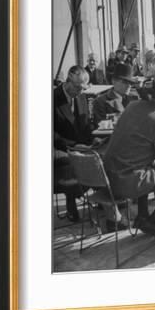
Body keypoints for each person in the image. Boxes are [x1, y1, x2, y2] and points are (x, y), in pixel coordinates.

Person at [104, 73, 155, 237]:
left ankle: (144, 215)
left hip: (107, 177)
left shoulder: (133, 106)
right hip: (126, 182)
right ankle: (153, 219)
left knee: (150, 167)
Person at [53, 66, 93, 221]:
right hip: (58, 148)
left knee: (102, 156)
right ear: (67, 81)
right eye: (77, 88)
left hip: (79, 145)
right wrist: (72, 146)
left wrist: (92, 141)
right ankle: (71, 199)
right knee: (78, 161)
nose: (80, 92)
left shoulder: (81, 96)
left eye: (83, 88)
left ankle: (104, 201)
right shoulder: (52, 98)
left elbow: (85, 124)